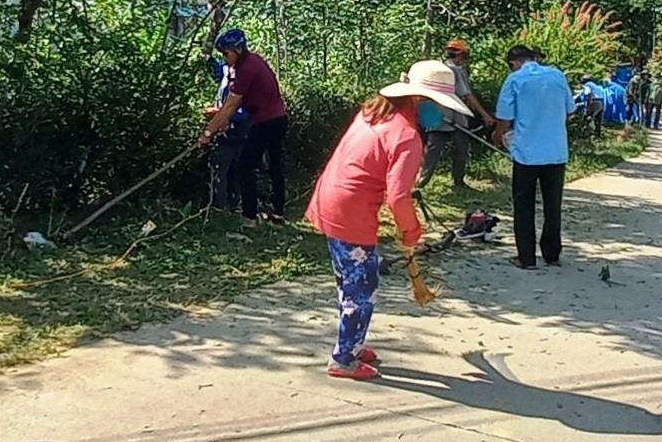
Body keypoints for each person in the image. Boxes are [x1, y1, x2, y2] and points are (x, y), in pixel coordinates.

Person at [306, 60, 472, 380]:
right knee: (363, 288)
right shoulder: (408, 135)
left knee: (350, 282)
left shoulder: (374, 112)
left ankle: (352, 344)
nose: (440, 113)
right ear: (418, 100)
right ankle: (343, 359)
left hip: (331, 198)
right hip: (351, 212)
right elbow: (399, 196)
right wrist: (412, 231)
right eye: (436, 105)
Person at [493, 45, 573, 269]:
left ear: (514, 62)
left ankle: (526, 257)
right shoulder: (557, 75)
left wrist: (497, 136)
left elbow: (505, 118)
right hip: (556, 153)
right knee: (552, 204)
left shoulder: (515, 80)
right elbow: (569, 110)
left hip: (526, 154)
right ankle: (552, 253)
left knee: (524, 204)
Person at [201, 28, 289, 225]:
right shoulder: (251, 61)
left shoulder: (247, 69)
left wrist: (208, 132)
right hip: (277, 118)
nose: (224, 58)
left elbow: (231, 105)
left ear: (238, 49)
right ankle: (277, 213)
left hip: (265, 122)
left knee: (245, 166)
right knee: (275, 166)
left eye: (226, 53)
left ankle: (250, 216)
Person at [417, 39, 496, 190]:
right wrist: (484, 114)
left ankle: (425, 181)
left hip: (445, 115)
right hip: (448, 114)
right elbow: (467, 95)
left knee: (439, 149)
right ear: (462, 55)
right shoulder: (452, 71)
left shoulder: (446, 69)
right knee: (451, 148)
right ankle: (434, 181)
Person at [203, 51, 250, 211]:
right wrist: (206, 57)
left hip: (237, 131)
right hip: (225, 128)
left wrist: (219, 114)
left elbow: (243, 110)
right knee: (223, 168)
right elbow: (217, 71)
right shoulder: (226, 68)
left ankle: (227, 205)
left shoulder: (245, 77)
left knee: (229, 167)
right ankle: (224, 204)